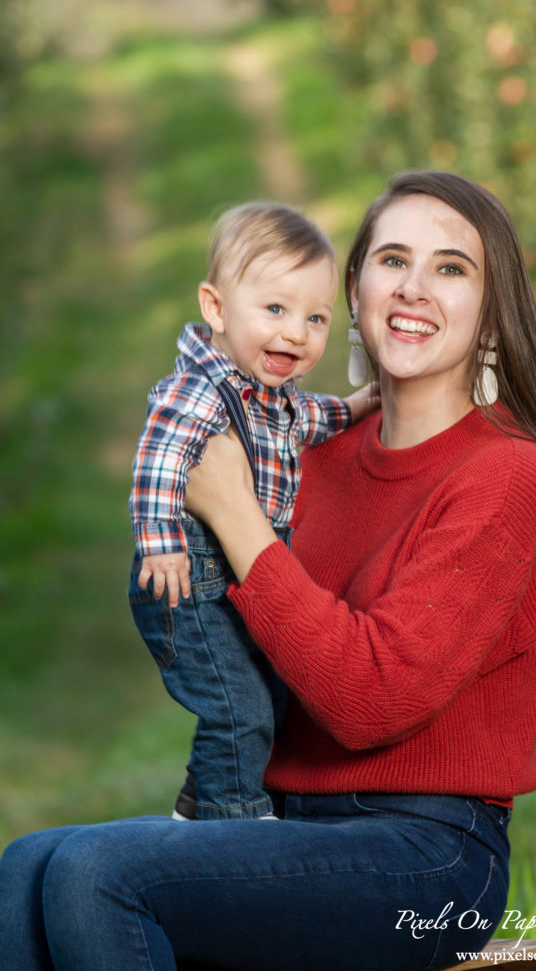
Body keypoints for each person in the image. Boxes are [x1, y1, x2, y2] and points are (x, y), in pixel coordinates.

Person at [0, 170, 536, 971]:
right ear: (354, 290)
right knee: (25, 867)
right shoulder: (305, 453)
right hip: (279, 823)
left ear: (491, 307)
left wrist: (237, 516)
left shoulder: (512, 479)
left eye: (451, 269)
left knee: (95, 875)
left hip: (427, 854)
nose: (414, 288)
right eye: (392, 260)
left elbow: (369, 700)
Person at [128, 201, 377, 820]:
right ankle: (237, 821)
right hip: (186, 580)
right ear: (215, 307)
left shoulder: (275, 397)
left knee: (260, 692)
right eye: (275, 310)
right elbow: (157, 460)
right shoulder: (199, 389)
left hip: (227, 582)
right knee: (237, 706)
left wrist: (360, 405)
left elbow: (313, 418)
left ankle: (199, 802)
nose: (296, 333)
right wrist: (160, 540)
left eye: (316, 319)